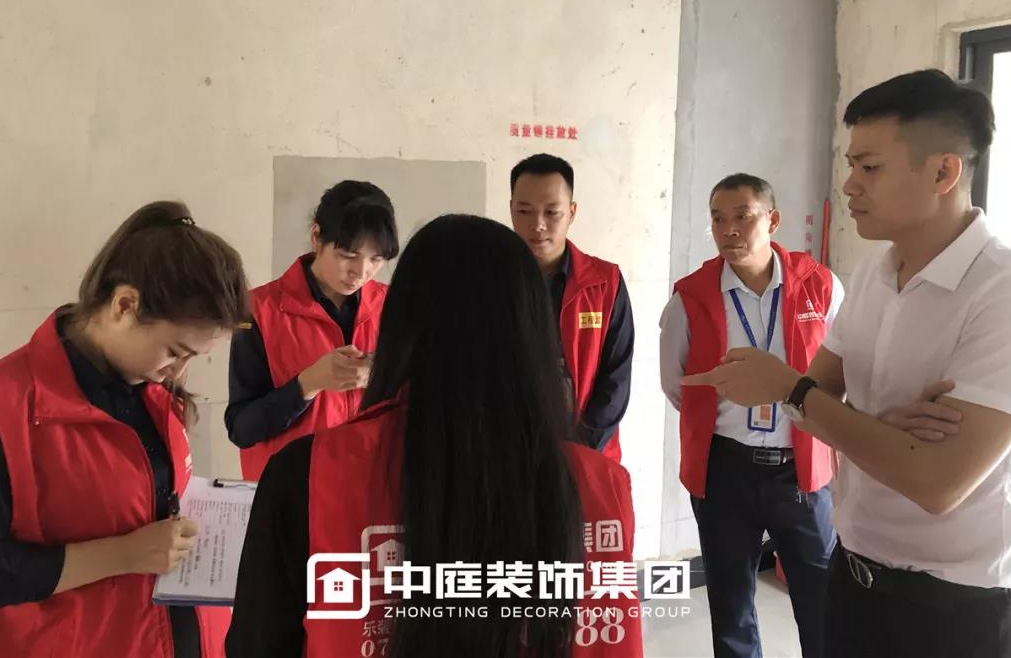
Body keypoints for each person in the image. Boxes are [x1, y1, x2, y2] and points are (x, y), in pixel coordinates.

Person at [685, 70, 1011, 658]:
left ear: (943, 172)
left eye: (870, 167)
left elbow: (936, 483)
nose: (850, 185)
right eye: (851, 164)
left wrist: (800, 396)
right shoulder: (876, 275)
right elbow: (823, 388)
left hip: (956, 612)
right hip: (854, 578)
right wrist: (877, 429)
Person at [225, 215, 642, 658]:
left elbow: (257, 644)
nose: (359, 271)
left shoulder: (305, 476)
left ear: (400, 324)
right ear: (535, 330)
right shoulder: (600, 486)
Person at [0, 201, 251, 658]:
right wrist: (122, 555)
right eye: (174, 351)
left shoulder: (152, 389)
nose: (177, 371)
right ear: (124, 305)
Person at [660, 173, 843, 658]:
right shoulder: (690, 298)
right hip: (725, 470)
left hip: (801, 470)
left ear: (773, 220)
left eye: (743, 216)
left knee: (822, 602)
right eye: (718, 219)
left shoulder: (820, 286)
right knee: (731, 604)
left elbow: (845, 374)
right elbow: (677, 385)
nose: (729, 230)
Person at [225, 181, 398, 481]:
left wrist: (382, 374)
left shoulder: (394, 306)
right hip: (291, 492)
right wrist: (307, 384)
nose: (361, 272)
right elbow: (242, 429)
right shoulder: (257, 310)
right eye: (348, 255)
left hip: (370, 487)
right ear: (316, 236)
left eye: (376, 259)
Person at [509, 154, 634, 462]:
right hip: (508, 450)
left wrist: (580, 452)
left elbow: (616, 379)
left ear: (572, 212)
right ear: (511, 209)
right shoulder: (489, 280)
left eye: (552, 212)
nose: (538, 225)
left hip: (585, 451)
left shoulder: (605, 283)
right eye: (524, 211)